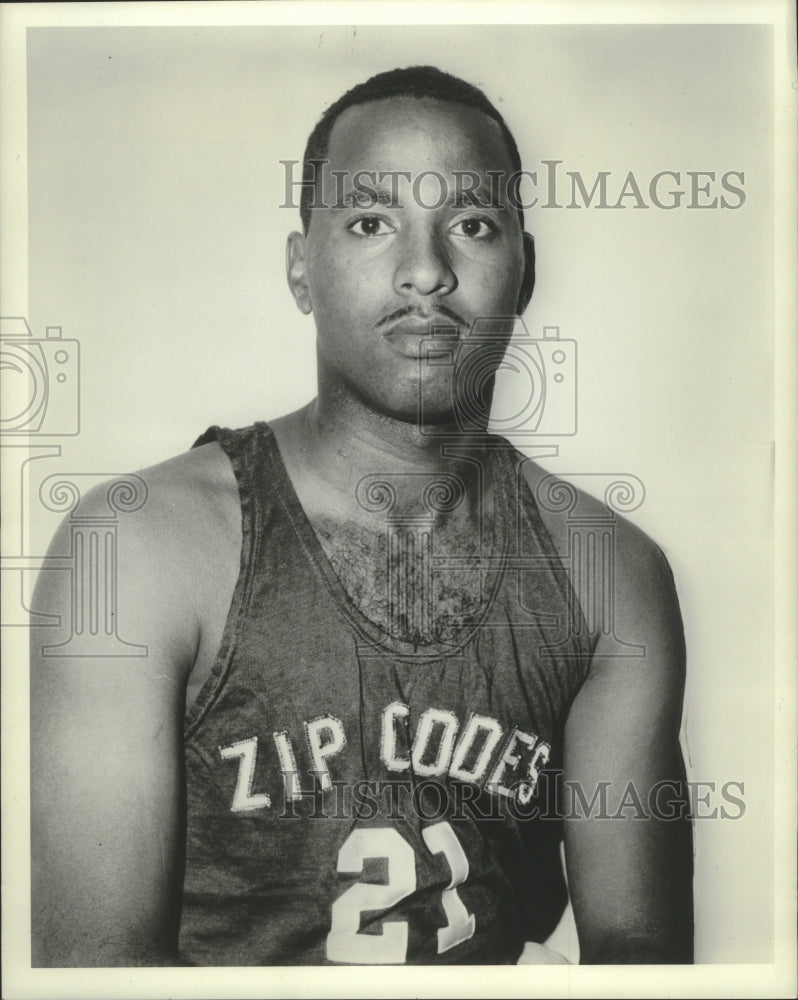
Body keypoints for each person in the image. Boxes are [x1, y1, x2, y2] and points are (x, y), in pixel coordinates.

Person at [29, 65, 693, 967]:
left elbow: (641, 957)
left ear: (525, 270)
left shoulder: (611, 574)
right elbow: (95, 977)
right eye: (372, 222)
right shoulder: (140, 549)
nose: (426, 271)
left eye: (471, 224)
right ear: (301, 268)